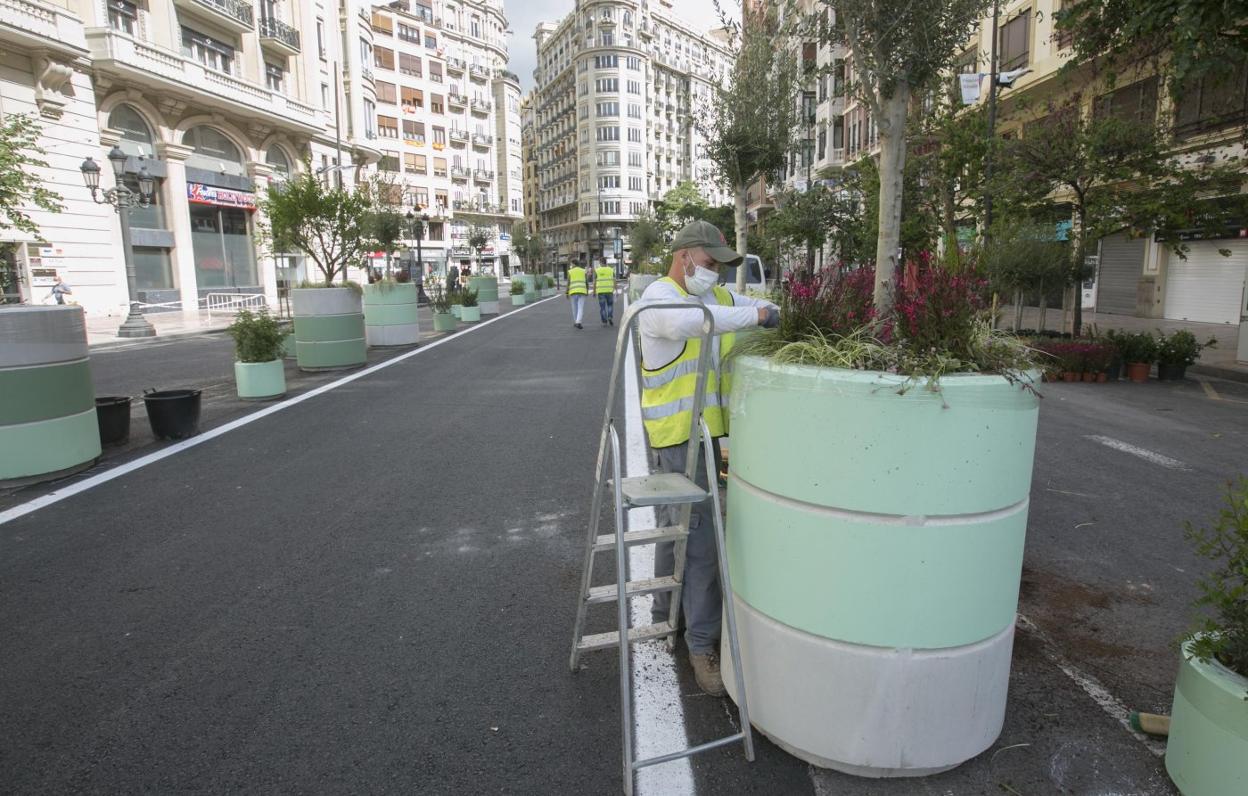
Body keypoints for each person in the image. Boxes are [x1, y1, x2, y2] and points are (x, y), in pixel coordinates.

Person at [638, 220, 779, 696]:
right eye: (712, 262)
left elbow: (753, 306)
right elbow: (695, 325)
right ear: (686, 257)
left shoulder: (716, 299)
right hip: (676, 441)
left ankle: (667, 622)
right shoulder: (657, 301)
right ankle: (699, 644)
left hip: (710, 438)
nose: (717, 272)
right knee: (695, 545)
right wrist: (759, 317)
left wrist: (768, 310)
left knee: (680, 535)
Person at [566, 261, 588, 329]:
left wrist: (567, 292)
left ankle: (576, 322)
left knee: (574, 308)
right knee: (580, 307)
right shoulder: (583, 271)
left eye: (571, 264)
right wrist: (587, 290)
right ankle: (578, 322)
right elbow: (586, 281)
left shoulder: (570, 271)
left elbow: (568, 283)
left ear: (574, 264)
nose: (571, 265)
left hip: (573, 291)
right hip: (582, 291)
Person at [594, 260, 616, 326]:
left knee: (602, 307)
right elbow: (614, 280)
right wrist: (616, 289)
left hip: (601, 291)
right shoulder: (611, 270)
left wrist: (594, 291)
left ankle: (604, 321)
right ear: (606, 263)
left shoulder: (597, 270)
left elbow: (594, 282)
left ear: (601, 263)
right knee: (610, 305)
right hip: (609, 290)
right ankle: (610, 317)